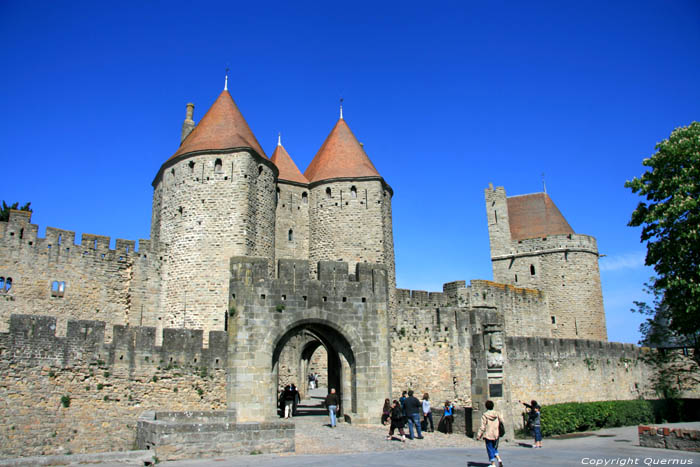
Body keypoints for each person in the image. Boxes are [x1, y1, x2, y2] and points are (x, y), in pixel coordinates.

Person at [476, 400, 504, 467]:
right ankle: (499, 459)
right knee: (494, 447)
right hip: (496, 433)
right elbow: (502, 421)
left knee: (490, 448)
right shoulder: (497, 414)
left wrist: (479, 435)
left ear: (486, 407)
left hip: (488, 434)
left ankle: (493, 464)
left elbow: (482, 426)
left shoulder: (485, 415)